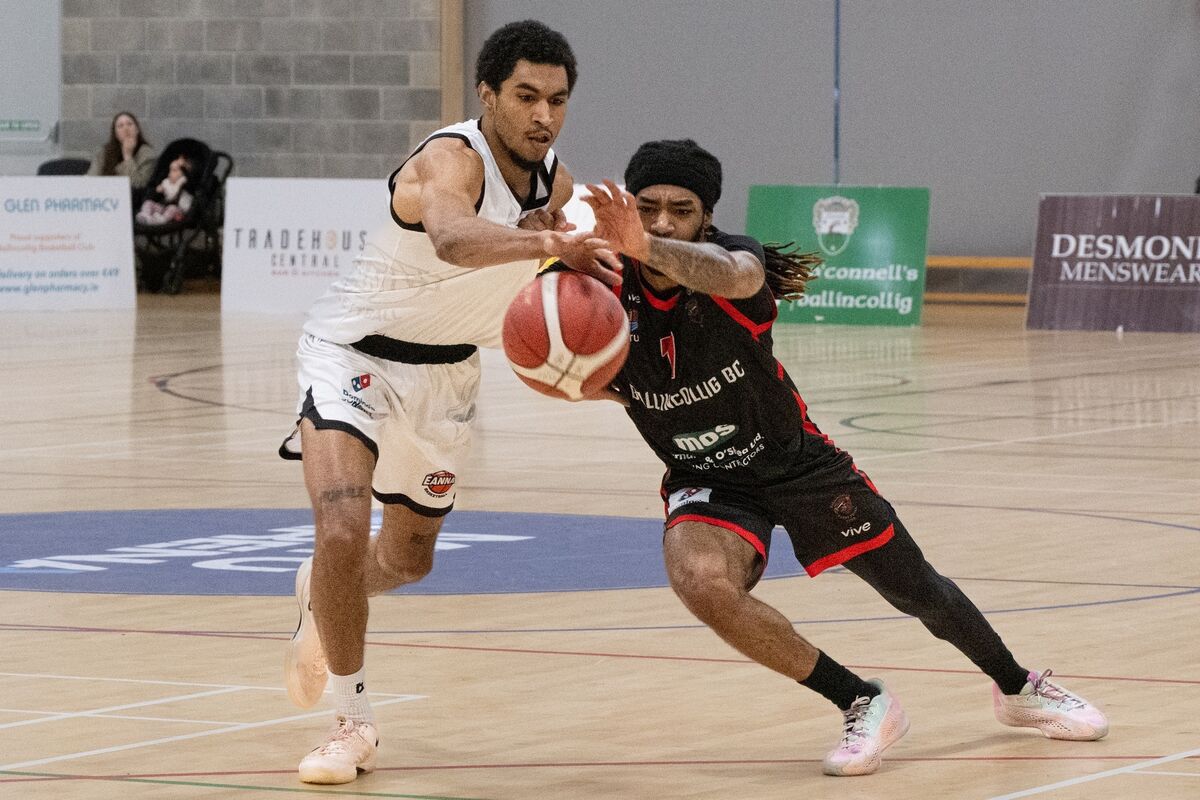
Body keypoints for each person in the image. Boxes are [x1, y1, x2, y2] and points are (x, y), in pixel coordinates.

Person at [580, 139, 1108, 777]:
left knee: (919, 592)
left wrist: (644, 245)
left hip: (797, 464)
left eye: (680, 210)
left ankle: (1017, 688)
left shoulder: (733, 262)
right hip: (706, 476)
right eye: (648, 207)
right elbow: (557, 343)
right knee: (700, 582)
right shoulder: (601, 283)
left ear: (706, 219)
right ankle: (862, 699)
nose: (662, 221)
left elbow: (741, 276)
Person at [277, 20, 621, 786]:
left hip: (446, 377)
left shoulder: (556, 186)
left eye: (557, 101)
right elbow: (453, 238)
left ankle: (321, 594)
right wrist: (545, 245)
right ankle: (352, 720)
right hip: (351, 352)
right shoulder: (449, 157)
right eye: (526, 96)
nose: (543, 115)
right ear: (487, 94)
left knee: (405, 561)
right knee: (339, 523)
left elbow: (570, 257)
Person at [86, 111, 157, 193]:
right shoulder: (104, 153)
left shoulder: (147, 154)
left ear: (137, 130)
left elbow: (139, 186)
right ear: (116, 134)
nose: (126, 129)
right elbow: (91, 180)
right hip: (105, 195)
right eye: (120, 126)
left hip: (133, 201)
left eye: (129, 124)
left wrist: (127, 156)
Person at [134, 154, 193, 225]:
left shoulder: (184, 183)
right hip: (164, 207)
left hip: (178, 211)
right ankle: (145, 215)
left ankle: (159, 221)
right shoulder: (167, 182)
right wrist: (157, 190)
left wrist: (185, 168)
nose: (170, 174)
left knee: (172, 208)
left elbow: (173, 195)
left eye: (174, 170)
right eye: (170, 170)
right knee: (148, 202)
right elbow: (158, 195)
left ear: (184, 174)